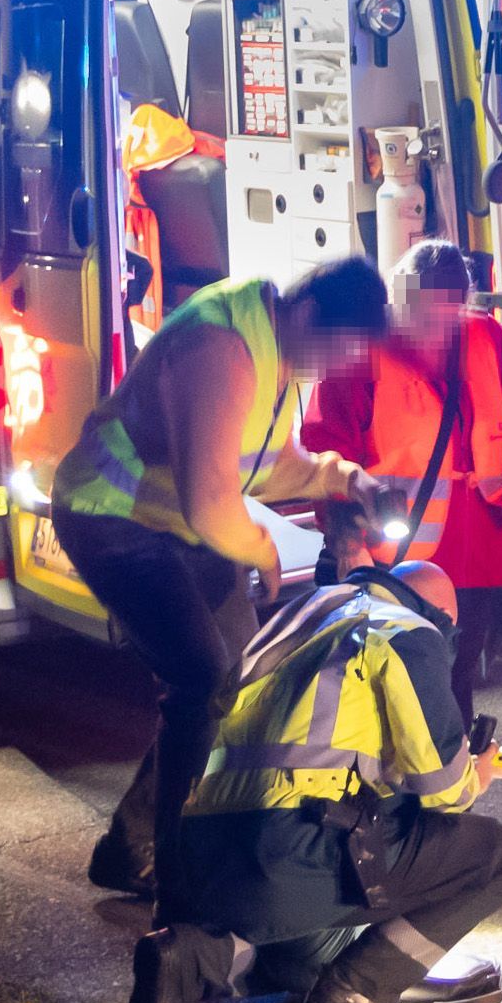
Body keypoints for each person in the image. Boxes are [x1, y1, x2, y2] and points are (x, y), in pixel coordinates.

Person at [54, 262, 390, 925]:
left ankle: (132, 844)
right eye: (340, 349)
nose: (335, 369)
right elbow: (211, 504)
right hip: (111, 518)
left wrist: (348, 481)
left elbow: (264, 465)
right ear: (308, 313)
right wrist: (263, 551)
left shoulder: (276, 355)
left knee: (236, 682)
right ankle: (181, 895)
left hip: (173, 526)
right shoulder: (220, 345)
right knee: (205, 677)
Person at [132, 562, 502, 1003]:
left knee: (310, 968)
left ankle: (194, 957)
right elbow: (446, 789)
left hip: (209, 855)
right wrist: (478, 772)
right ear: (441, 614)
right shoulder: (406, 630)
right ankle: (364, 988)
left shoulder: (298, 618)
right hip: (298, 849)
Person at [302, 240, 502, 722]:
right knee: (383, 685)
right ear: (395, 296)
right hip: (388, 560)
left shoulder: (489, 340)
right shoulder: (356, 354)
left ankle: (447, 785)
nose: (434, 331)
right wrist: (345, 538)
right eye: (422, 314)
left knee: (456, 680)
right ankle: (405, 789)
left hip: (477, 556)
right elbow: (326, 450)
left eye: (448, 315)